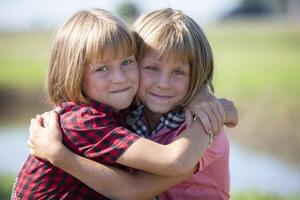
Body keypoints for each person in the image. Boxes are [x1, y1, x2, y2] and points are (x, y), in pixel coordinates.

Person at [23, 8, 237, 200]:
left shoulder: (203, 129)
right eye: (152, 68)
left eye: (179, 72)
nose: (163, 84)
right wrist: (58, 155)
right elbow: (135, 189)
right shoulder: (105, 118)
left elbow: (140, 187)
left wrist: (205, 96)